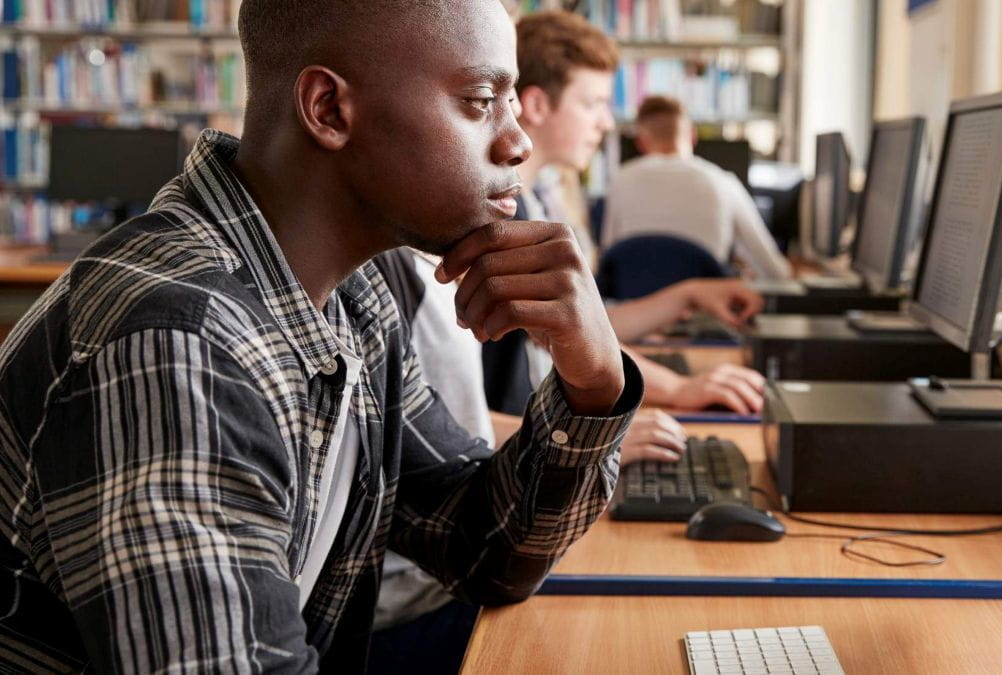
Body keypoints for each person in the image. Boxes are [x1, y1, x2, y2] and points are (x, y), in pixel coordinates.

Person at [0, 1, 644, 671]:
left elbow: (483, 546)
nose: (517, 142)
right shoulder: (174, 339)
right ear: (329, 110)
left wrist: (594, 382)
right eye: (481, 101)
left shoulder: (353, 302)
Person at [367, 247, 686, 673]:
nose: (511, 175)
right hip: (406, 609)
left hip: (440, 586)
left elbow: (478, 536)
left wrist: (592, 397)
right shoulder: (385, 281)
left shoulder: (376, 290)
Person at [483, 10, 768, 420]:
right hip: (514, 441)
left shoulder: (535, 197)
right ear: (537, 105)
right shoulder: (507, 213)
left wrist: (687, 295)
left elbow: (585, 327)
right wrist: (680, 389)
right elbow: (566, 336)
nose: (605, 122)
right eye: (592, 104)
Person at [602, 95, 793, 281]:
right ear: (692, 136)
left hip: (635, 310)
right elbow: (774, 271)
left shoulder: (619, 180)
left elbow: (608, 257)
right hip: (707, 310)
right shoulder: (724, 182)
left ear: (640, 143)